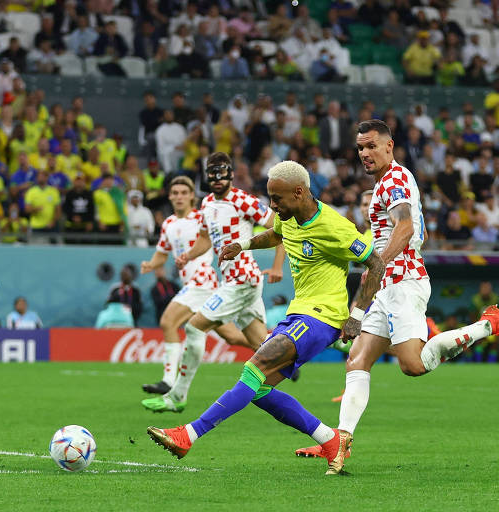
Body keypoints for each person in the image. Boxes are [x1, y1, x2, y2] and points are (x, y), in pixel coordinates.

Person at [146, 160, 386, 476]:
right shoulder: (290, 217)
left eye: (277, 199)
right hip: (298, 313)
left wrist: (356, 315)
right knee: (258, 391)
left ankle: (188, 435)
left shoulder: (335, 226)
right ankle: (329, 440)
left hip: (322, 318)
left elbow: (377, 264)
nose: (272, 205)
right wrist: (241, 244)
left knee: (253, 370)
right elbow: (274, 234)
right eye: (270, 198)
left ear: (300, 192)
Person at [294, 120, 499, 473]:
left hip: (403, 281)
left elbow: (404, 227)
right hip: (387, 283)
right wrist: (361, 301)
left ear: (389, 146)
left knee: (413, 365)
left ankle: (487, 325)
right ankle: (338, 445)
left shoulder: (395, 180)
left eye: (371, 146)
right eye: (360, 148)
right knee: (357, 361)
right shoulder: (384, 183)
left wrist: (376, 265)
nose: (364, 153)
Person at [141, 153, 285, 413]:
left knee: (195, 328)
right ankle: (324, 343)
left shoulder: (243, 200)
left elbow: (281, 228)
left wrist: (277, 266)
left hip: (243, 279)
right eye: (212, 174)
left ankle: (176, 397)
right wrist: (188, 255)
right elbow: (206, 241)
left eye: (222, 173)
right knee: (264, 345)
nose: (217, 179)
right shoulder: (207, 204)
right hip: (233, 280)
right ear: (207, 177)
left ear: (230, 174)